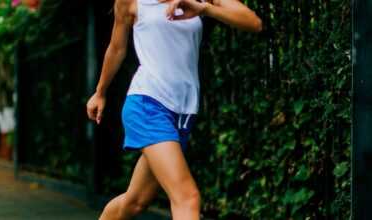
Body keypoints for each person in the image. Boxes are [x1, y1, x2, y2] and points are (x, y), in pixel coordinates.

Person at [86, 0, 262, 219]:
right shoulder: (129, 2)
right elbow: (117, 47)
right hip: (147, 104)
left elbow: (253, 23)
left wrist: (205, 9)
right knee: (187, 198)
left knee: (135, 201)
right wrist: (100, 91)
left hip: (182, 112)